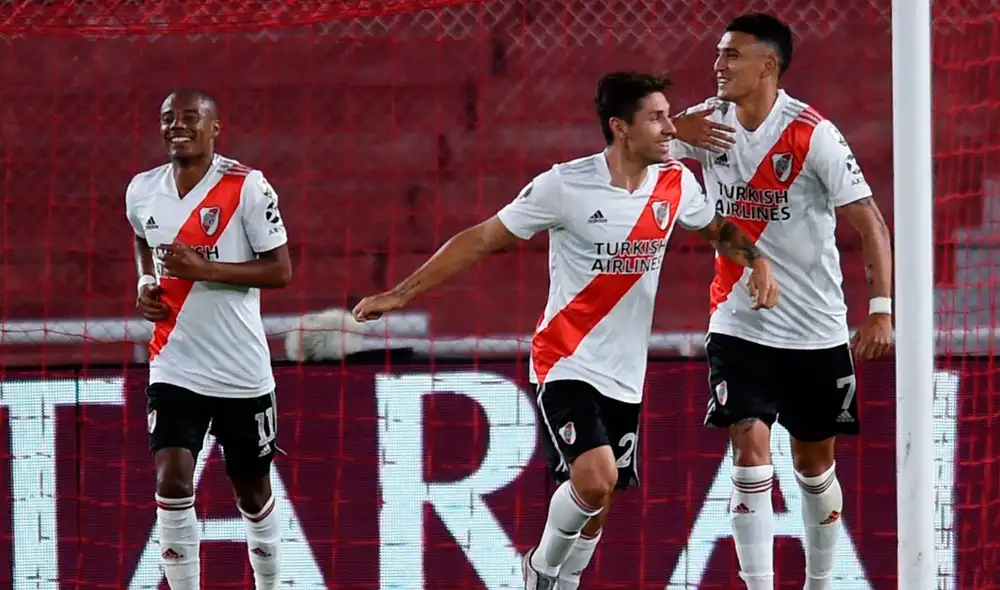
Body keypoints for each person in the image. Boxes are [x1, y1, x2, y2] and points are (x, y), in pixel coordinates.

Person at [353, 71, 780, 590]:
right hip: (564, 358)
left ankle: (565, 580)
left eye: (669, 116)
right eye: (657, 118)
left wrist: (754, 260)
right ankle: (539, 571)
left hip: (625, 374)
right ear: (620, 128)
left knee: (597, 506)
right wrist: (401, 293)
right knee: (595, 479)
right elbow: (483, 239)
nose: (671, 129)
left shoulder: (676, 183)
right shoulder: (565, 185)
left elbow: (716, 229)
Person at [669, 13, 894, 590]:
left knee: (814, 468)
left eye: (731, 56)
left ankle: (821, 583)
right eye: (718, 55)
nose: (718, 65)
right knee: (748, 448)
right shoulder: (705, 123)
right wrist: (674, 131)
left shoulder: (813, 133)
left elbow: (868, 220)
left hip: (815, 330)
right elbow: (634, 142)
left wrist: (880, 309)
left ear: (769, 65)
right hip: (738, 320)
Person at [125, 89, 293, 590]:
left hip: (241, 370)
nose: (178, 126)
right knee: (171, 480)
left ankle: (271, 582)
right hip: (175, 361)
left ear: (215, 128)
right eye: (168, 118)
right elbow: (141, 236)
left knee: (251, 493)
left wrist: (204, 268)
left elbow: (280, 270)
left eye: (190, 118)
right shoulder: (142, 189)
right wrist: (143, 284)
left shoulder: (248, 187)